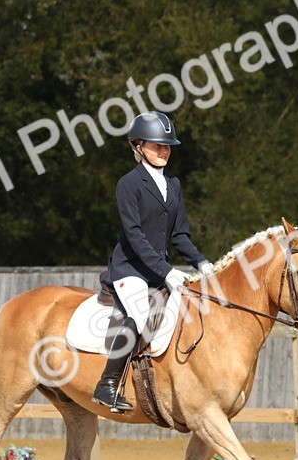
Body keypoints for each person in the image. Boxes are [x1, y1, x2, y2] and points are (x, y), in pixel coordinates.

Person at [91, 111, 214, 413]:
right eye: (157, 146)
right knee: (141, 309)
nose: (164, 151)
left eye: (167, 146)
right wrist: (167, 271)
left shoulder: (174, 184)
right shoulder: (128, 184)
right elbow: (133, 236)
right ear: (138, 146)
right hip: (130, 269)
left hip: (160, 272)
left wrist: (202, 263)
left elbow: (180, 234)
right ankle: (107, 384)